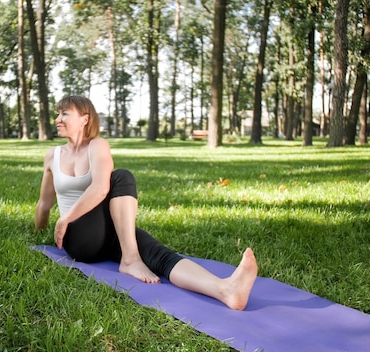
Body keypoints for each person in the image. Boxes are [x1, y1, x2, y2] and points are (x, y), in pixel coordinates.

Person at [35, 95, 258, 310]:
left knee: (159, 255)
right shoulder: (52, 155)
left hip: (109, 232)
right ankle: (130, 259)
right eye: (57, 114)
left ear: (85, 119)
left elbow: (101, 188)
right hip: (79, 239)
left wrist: (65, 217)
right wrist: (42, 232)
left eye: (65, 113)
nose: (57, 119)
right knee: (122, 176)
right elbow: (44, 204)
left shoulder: (97, 145)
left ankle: (226, 290)